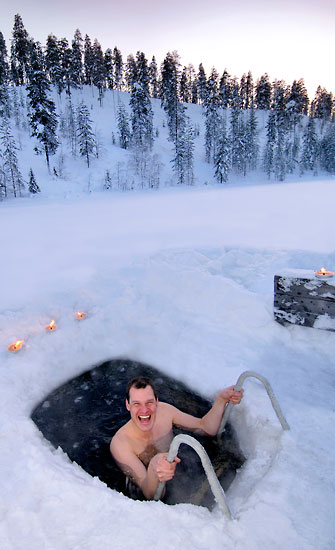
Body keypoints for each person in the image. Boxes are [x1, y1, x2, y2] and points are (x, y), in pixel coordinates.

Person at [110, 376, 244, 500]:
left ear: (157, 401)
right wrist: (153, 468)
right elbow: (148, 492)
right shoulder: (121, 444)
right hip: (151, 480)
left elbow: (205, 427)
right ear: (128, 405)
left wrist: (221, 400)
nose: (144, 410)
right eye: (136, 404)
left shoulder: (165, 412)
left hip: (177, 468)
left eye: (149, 402)